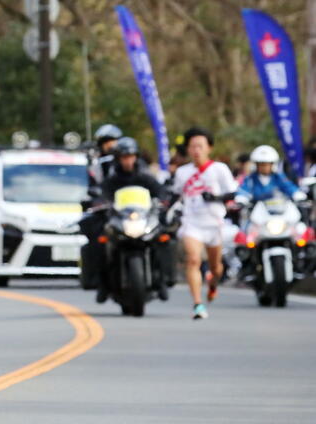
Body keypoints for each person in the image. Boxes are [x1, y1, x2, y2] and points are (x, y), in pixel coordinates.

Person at [85, 137, 170, 302]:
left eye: (131, 156)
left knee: (162, 239)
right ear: (118, 159)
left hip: (142, 220)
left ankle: (162, 280)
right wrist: (100, 203)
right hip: (120, 220)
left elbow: (160, 191)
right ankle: (103, 284)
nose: (128, 160)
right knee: (100, 242)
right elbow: (101, 195)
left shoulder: (145, 177)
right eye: (124, 157)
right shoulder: (112, 180)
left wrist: (163, 200)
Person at [170, 127, 237, 320]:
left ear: (209, 148)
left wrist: (216, 197)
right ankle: (198, 304)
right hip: (192, 223)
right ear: (188, 150)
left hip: (214, 224)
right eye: (192, 146)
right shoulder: (183, 172)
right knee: (193, 260)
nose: (196, 150)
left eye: (200, 146)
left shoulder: (219, 169)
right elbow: (175, 194)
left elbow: (233, 192)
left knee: (216, 268)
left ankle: (213, 284)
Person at [235, 145, 306, 204]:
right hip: (257, 215)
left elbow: (290, 187)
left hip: (279, 213)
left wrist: (297, 194)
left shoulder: (278, 177)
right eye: (261, 164)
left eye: (267, 164)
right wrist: (241, 199)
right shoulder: (250, 179)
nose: (264, 167)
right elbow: (243, 191)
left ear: (272, 164)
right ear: (256, 165)